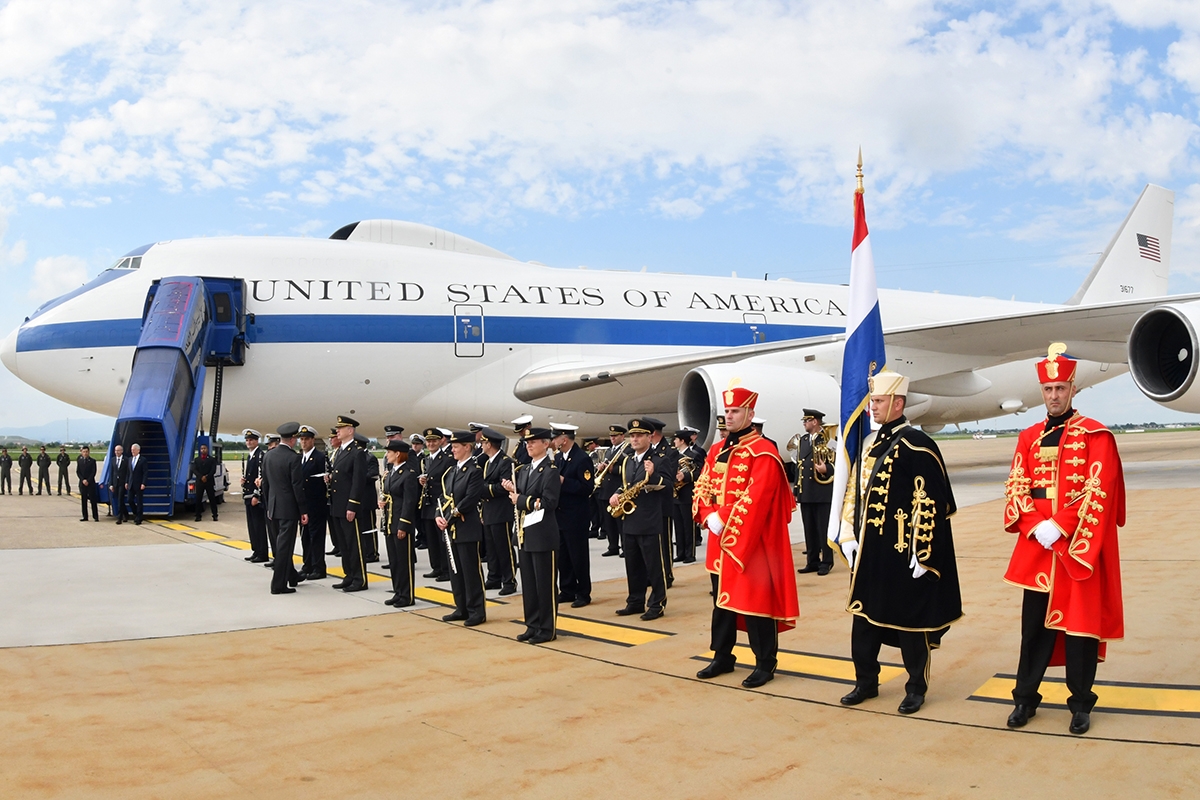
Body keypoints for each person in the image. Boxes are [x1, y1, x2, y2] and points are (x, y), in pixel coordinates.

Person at [1002, 344, 1125, 736]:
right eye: (1048, 389)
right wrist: (1035, 524)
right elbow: (1017, 485)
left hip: (1075, 548)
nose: (1054, 395)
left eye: (1060, 388)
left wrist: (1061, 524)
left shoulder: (1095, 435)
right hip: (1038, 548)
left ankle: (1081, 704)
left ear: (1072, 388)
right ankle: (1025, 699)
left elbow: (1099, 489)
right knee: (1033, 629)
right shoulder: (1027, 436)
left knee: (1079, 631)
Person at [833, 370, 963, 715]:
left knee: (910, 623)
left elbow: (932, 502)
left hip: (903, 552)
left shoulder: (918, 445)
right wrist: (847, 533)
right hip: (869, 552)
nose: (872, 408)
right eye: (872, 401)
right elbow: (855, 493)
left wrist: (923, 552)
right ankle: (865, 681)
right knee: (864, 619)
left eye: (877, 401)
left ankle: (915, 687)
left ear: (898, 403)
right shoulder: (872, 443)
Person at [692, 387, 799, 688]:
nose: (730, 416)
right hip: (718, 543)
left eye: (736, 411)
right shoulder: (716, 449)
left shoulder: (763, 451)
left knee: (755, 604)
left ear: (750, 415)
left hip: (750, 541)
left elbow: (758, 496)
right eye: (727, 411)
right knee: (721, 604)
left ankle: (765, 663)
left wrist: (721, 517)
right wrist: (706, 513)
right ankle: (722, 656)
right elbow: (703, 484)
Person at [503, 427, 560, 643]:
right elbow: (522, 498)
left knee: (545, 584)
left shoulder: (551, 471)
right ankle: (532, 624)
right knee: (529, 584)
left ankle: (547, 629)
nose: (528, 445)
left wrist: (520, 499)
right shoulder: (524, 470)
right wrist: (512, 492)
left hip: (543, 535)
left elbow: (548, 503)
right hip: (525, 534)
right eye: (527, 442)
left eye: (534, 441)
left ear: (546, 444)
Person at [611, 419, 669, 621]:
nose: (634, 439)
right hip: (630, 519)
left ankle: (657, 603)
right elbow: (627, 484)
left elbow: (669, 486)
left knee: (654, 566)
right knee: (633, 565)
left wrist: (653, 475)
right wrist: (617, 493)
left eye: (639, 435)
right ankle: (635, 601)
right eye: (632, 435)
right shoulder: (628, 460)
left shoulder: (659, 459)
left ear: (649, 437)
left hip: (649, 519)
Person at [438, 431, 486, 626]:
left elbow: (470, 498)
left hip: (466, 527)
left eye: (456, 446)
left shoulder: (474, 471)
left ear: (468, 447)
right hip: (451, 528)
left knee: (470, 571)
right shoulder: (451, 472)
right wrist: (439, 517)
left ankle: (477, 610)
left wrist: (450, 517)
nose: (453, 449)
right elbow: (442, 498)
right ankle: (461, 607)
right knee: (455, 571)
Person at [260, 422, 309, 595]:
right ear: (293, 439)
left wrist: (268, 505)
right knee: (284, 548)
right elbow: (297, 486)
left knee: (279, 545)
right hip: (289, 509)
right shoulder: (293, 458)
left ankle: (292, 576)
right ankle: (278, 584)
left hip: (273, 506)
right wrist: (303, 510)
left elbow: (265, 484)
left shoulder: (269, 456)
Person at [552, 423, 594, 608]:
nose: (553, 442)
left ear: (564, 439)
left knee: (578, 556)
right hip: (560, 515)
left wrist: (564, 481)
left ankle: (583, 593)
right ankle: (567, 589)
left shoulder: (581, 458)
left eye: (555, 438)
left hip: (576, 515)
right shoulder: (559, 457)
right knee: (564, 556)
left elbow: (587, 488)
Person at [329, 415, 368, 592]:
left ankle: (359, 579)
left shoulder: (357, 452)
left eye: (341, 428)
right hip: (338, 505)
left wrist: (353, 505)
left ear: (350, 430)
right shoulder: (341, 451)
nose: (337, 431)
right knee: (343, 544)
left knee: (354, 543)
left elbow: (358, 481)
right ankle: (349, 575)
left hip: (348, 506)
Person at [380, 439, 421, 607]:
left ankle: (407, 595)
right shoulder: (391, 472)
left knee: (404, 561)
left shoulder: (408, 474)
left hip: (400, 523)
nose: (387, 455)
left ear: (397, 454)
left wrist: (403, 525)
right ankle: (398, 592)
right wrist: (382, 502)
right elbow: (390, 494)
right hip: (390, 522)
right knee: (395, 561)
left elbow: (409, 502)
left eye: (389, 452)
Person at [479, 427, 518, 596]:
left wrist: (482, 489)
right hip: (489, 510)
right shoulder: (488, 462)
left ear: (489, 444)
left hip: (501, 510)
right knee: (491, 547)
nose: (480, 445)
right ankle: (494, 577)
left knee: (504, 547)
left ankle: (509, 580)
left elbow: (504, 487)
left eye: (483, 442)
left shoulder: (505, 461)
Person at [796, 409, 835, 576]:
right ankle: (812, 561)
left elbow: (838, 461)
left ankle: (826, 561)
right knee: (809, 529)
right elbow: (799, 464)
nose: (804, 423)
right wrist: (797, 489)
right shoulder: (803, 440)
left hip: (822, 491)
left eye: (807, 420)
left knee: (823, 528)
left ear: (815, 422)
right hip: (807, 492)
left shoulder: (829, 438)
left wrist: (827, 469)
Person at [418, 428, 454, 581]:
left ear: (441, 441)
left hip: (440, 504)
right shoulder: (426, 460)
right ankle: (436, 567)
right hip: (428, 503)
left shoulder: (447, 459)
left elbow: (448, 482)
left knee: (441, 539)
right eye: (428, 441)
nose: (431, 443)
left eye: (434, 441)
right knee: (431, 538)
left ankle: (446, 569)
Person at [297, 426, 330, 580]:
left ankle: (318, 567)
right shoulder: (299, 458)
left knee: (316, 537)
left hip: (316, 504)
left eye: (306, 439)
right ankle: (307, 564)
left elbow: (323, 482)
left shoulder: (319, 457)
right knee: (305, 536)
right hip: (304, 505)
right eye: (301, 439)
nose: (303, 442)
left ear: (312, 440)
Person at [597, 425, 627, 557]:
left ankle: (625, 547)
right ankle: (613, 545)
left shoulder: (627, 449)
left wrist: (611, 469)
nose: (612, 438)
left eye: (615, 436)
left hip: (617, 487)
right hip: (606, 489)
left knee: (620, 522)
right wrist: (601, 467)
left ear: (622, 436)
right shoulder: (609, 451)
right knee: (608, 522)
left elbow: (627, 469)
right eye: (611, 436)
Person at [671, 430, 700, 564]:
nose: (674, 442)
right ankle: (680, 552)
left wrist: (686, 476)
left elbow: (700, 472)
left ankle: (690, 553)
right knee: (678, 525)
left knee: (689, 525)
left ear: (682, 440)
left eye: (676, 439)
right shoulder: (674, 455)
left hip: (688, 493)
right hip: (676, 494)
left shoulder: (694, 455)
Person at [242, 430, 270, 563]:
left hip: (254, 496)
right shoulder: (250, 456)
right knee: (252, 526)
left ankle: (262, 552)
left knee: (258, 526)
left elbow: (261, 476)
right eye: (247, 440)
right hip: (248, 495)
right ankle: (256, 550)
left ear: (256, 441)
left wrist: (256, 495)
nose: (249, 442)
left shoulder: (260, 455)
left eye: (251, 440)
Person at [190, 444, 218, 522]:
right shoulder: (197, 460)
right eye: (201, 448)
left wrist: (207, 477)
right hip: (200, 482)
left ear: (207, 449)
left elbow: (213, 470)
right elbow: (194, 470)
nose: (203, 450)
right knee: (198, 499)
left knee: (212, 499)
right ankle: (198, 515)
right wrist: (201, 477)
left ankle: (215, 515)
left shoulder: (212, 459)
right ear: (200, 450)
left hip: (209, 481)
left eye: (204, 448)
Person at [76, 446, 99, 521]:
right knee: (83, 500)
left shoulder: (92, 461)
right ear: (81, 452)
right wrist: (83, 480)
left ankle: (95, 516)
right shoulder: (79, 461)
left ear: (89, 452)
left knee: (93, 500)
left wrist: (88, 480)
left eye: (86, 452)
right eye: (84, 452)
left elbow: (93, 472)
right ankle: (85, 516)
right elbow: (78, 472)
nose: (85, 453)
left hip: (90, 483)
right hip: (82, 483)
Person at [108, 445, 129, 523]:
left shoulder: (126, 460)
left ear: (122, 451)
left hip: (122, 483)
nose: (117, 452)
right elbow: (111, 472)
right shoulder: (113, 460)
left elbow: (128, 472)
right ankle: (126, 514)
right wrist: (111, 484)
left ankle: (119, 518)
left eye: (118, 450)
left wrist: (127, 482)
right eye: (116, 451)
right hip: (115, 482)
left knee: (120, 499)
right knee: (119, 500)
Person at [127, 443, 146, 524]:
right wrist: (126, 482)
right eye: (131, 450)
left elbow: (145, 472)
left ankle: (139, 518)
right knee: (129, 499)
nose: (132, 451)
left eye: (134, 450)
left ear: (138, 450)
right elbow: (128, 472)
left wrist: (143, 483)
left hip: (139, 483)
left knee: (139, 501)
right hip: (131, 483)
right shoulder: (130, 459)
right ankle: (136, 513)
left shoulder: (143, 460)